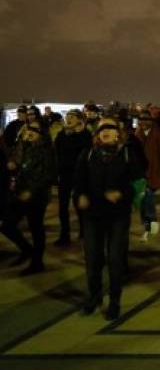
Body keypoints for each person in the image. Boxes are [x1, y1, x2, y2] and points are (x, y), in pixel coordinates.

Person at [75, 118, 144, 319]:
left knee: (115, 259)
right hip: (93, 215)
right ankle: (94, 296)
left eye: (110, 128)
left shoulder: (127, 154)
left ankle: (115, 300)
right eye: (101, 128)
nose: (105, 131)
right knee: (93, 258)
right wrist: (80, 196)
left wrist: (122, 193)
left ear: (118, 133)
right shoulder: (87, 155)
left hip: (118, 215)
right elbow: (78, 181)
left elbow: (139, 183)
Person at [2, 122, 56, 274]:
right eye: (28, 129)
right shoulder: (20, 146)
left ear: (41, 134)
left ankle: (37, 262)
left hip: (36, 196)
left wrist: (31, 191)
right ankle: (27, 250)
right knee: (7, 226)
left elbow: (48, 175)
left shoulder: (46, 151)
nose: (30, 132)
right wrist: (11, 163)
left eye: (35, 130)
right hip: (18, 193)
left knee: (36, 228)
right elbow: (13, 162)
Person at [53, 110, 93, 246]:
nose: (68, 119)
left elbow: (83, 149)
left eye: (72, 117)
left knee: (79, 204)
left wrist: (75, 134)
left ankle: (84, 230)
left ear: (80, 119)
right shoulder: (62, 134)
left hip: (80, 175)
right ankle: (65, 235)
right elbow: (57, 148)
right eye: (67, 117)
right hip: (64, 174)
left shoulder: (86, 135)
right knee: (62, 206)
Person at [134, 112, 160, 241]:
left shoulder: (158, 134)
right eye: (141, 119)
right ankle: (148, 224)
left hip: (154, 172)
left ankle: (150, 222)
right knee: (144, 200)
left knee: (148, 197)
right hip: (141, 173)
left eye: (146, 119)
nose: (143, 122)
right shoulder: (137, 134)